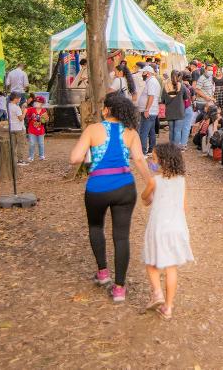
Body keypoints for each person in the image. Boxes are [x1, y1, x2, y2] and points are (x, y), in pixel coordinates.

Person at [70, 93, 155, 303]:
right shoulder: (131, 132)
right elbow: (139, 160)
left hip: (97, 187)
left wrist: (88, 156)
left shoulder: (93, 129)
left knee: (96, 227)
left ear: (107, 110)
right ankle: (119, 288)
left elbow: (75, 158)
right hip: (125, 188)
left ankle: (103, 273)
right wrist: (150, 184)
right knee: (122, 236)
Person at [141, 143, 193, 320]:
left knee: (151, 261)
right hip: (177, 227)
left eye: (154, 159)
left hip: (158, 227)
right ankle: (168, 307)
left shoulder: (154, 181)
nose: (152, 162)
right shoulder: (182, 181)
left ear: (162, 161)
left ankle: (157, 292)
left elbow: (144, 199)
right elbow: (185, 207)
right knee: (171, 268)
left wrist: (151, 196)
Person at [136, 66, 162, 154]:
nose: (142, 74)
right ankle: (151, 150)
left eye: (143, 73)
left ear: (147, 73)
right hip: (152, 110)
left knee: (143, 132)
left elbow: (151, 96)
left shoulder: (151, 82)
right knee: (151, 131)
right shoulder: (151, 81)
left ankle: (142, 151)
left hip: (149, 111)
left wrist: (147, 109)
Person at [161, 71, 188, 147]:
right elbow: (186, 98)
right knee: (178, 131)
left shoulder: (166, 86)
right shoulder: (182, 86)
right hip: (179, 111)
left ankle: (171, 147)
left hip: (169, 111)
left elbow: (162, 100)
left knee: (171, 131)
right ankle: (175, 148)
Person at [24, 96, 49, 162]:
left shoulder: (44, 110)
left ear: (42, 104)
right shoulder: (31, 109)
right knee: (32, 143)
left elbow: (46, 119)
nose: (36, 103)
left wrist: (45, 119)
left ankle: (41, 156)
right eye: (36, 102)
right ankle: (31, 156)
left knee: (41, 143)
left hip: (41, 130)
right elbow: (25, 112)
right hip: (32, 130)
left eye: (38, 102)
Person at [7, 92, 27, 166]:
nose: (20, 99)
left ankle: (12, 159)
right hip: (19, 128)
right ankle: (20, 160)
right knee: (21, 144)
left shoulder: (8, 106)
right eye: (19, 98)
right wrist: (24, 112)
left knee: (13, 144)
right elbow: (21, 118)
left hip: (11, 128)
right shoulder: (16, 107)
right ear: (15, 98)